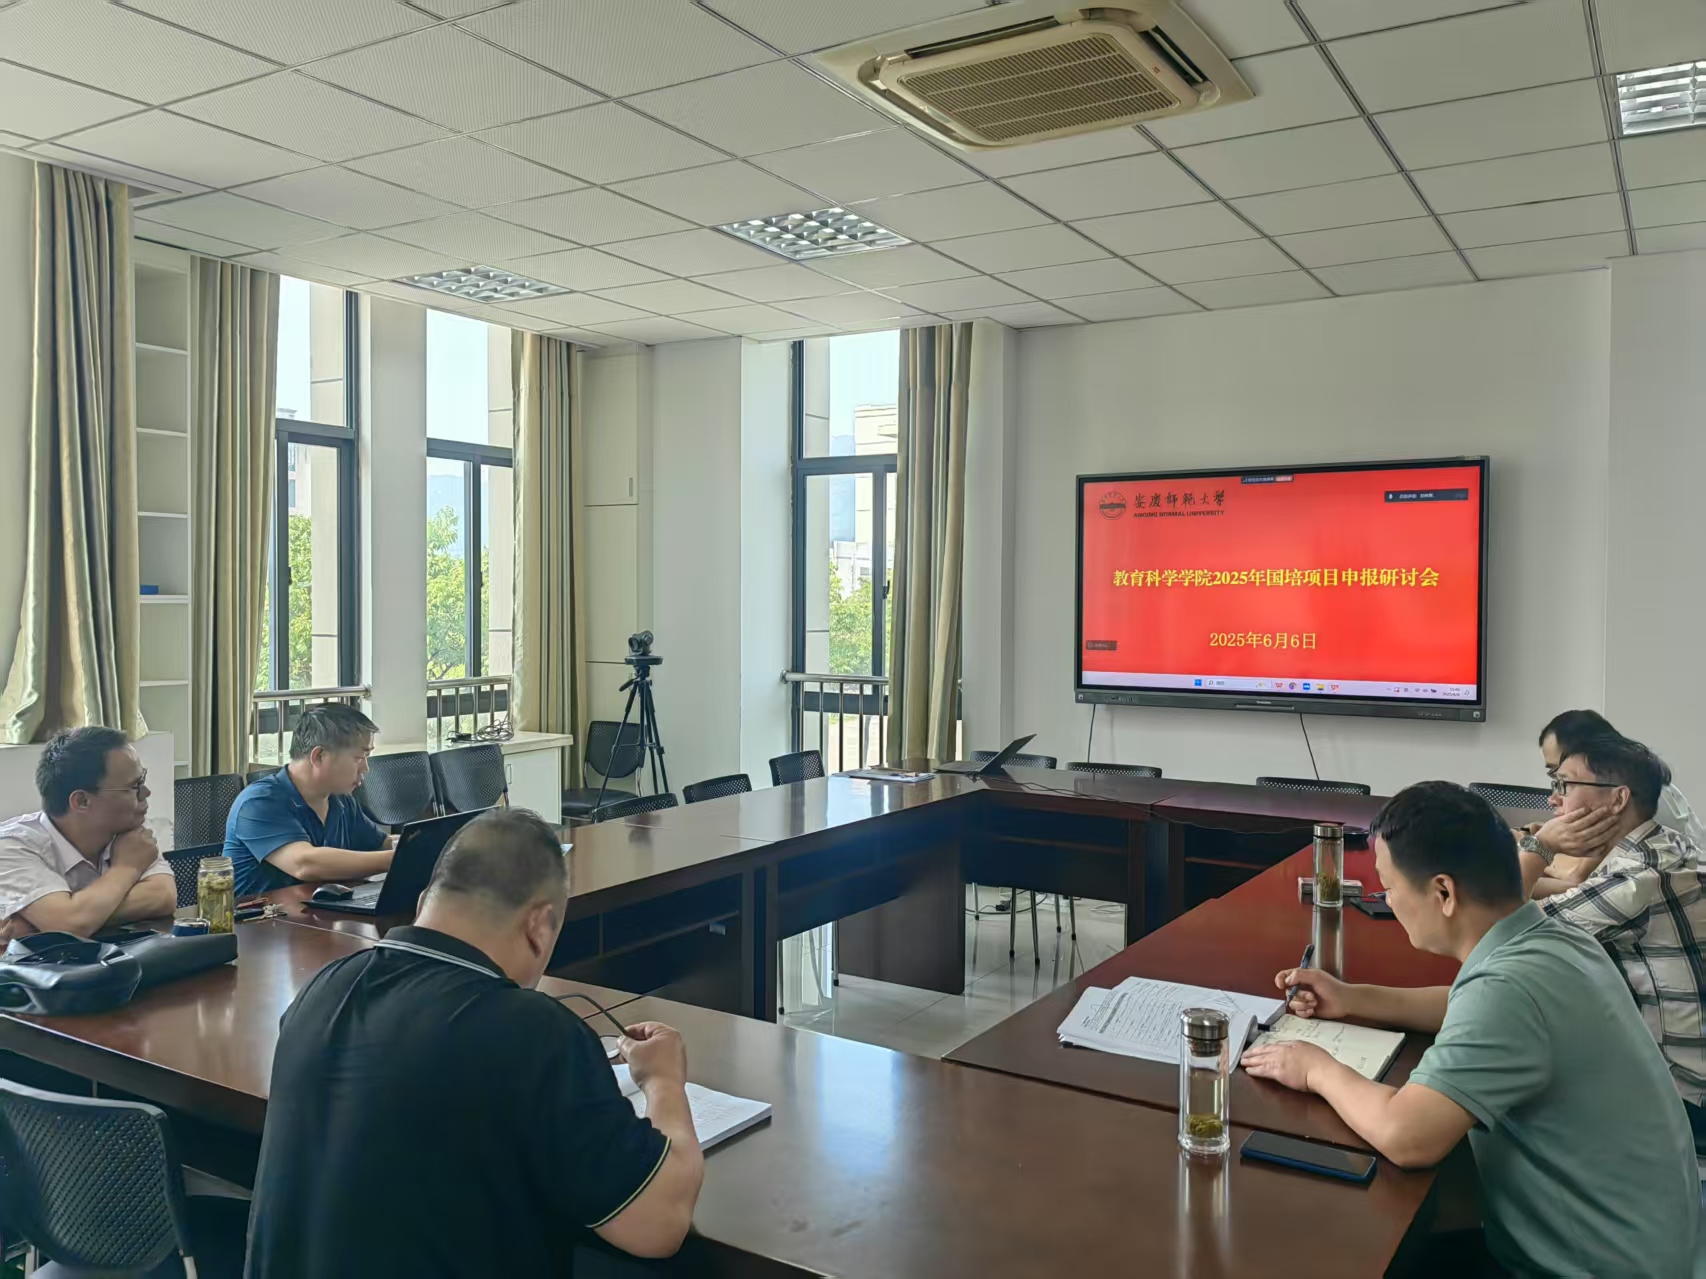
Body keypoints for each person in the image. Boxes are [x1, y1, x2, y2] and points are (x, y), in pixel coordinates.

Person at [1244, 781, 1697, 1279]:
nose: (1388, 900)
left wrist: (1314, 1068)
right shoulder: (1553, 939)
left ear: (1443, 892)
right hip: (1653, 1241)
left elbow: (1407, 1136)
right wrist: (1353, 999)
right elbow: (1467, 1006)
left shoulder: (1507, 989)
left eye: (1390, 887)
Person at [246, 808, 704, 1277]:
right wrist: (663, 1082)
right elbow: (659, 1225)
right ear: (540, 926)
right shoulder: (531, 1030)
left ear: (424, 901)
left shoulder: (321, 991)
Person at [1526, 735, 1706, 1143]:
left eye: (1565, 784)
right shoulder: (1665, 844)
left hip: (1683, 1095)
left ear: (1618, 799)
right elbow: (1571, 895)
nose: (1553, 799)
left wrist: (1542, 845)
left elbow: (1500, 928)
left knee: (1519, 1070)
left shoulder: (1636, 879)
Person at [0, 727, 174, 939]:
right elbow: (71, 923)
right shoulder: (11, 845)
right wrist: (126, 868)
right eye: (134, 786)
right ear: (82, 801)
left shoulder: (129, 832)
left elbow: (163, 896)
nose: (146, 793)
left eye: (143, 780)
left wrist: (47, 923)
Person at [223, 703, 394, 897]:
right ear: (319, 756)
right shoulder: (259, 802)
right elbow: (304, 863)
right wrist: (399, 858)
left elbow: (383, 843)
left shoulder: (341, 801)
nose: (366, 768)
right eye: (359, 758)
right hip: (262, 915)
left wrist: (418, 846)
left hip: (322, 912)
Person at [1535, 708, 1704, 849]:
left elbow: (1578, 870)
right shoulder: (1627, 783)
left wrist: (1540, 845)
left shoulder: (1640, 794)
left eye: (1560, 773)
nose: (1554, 798)